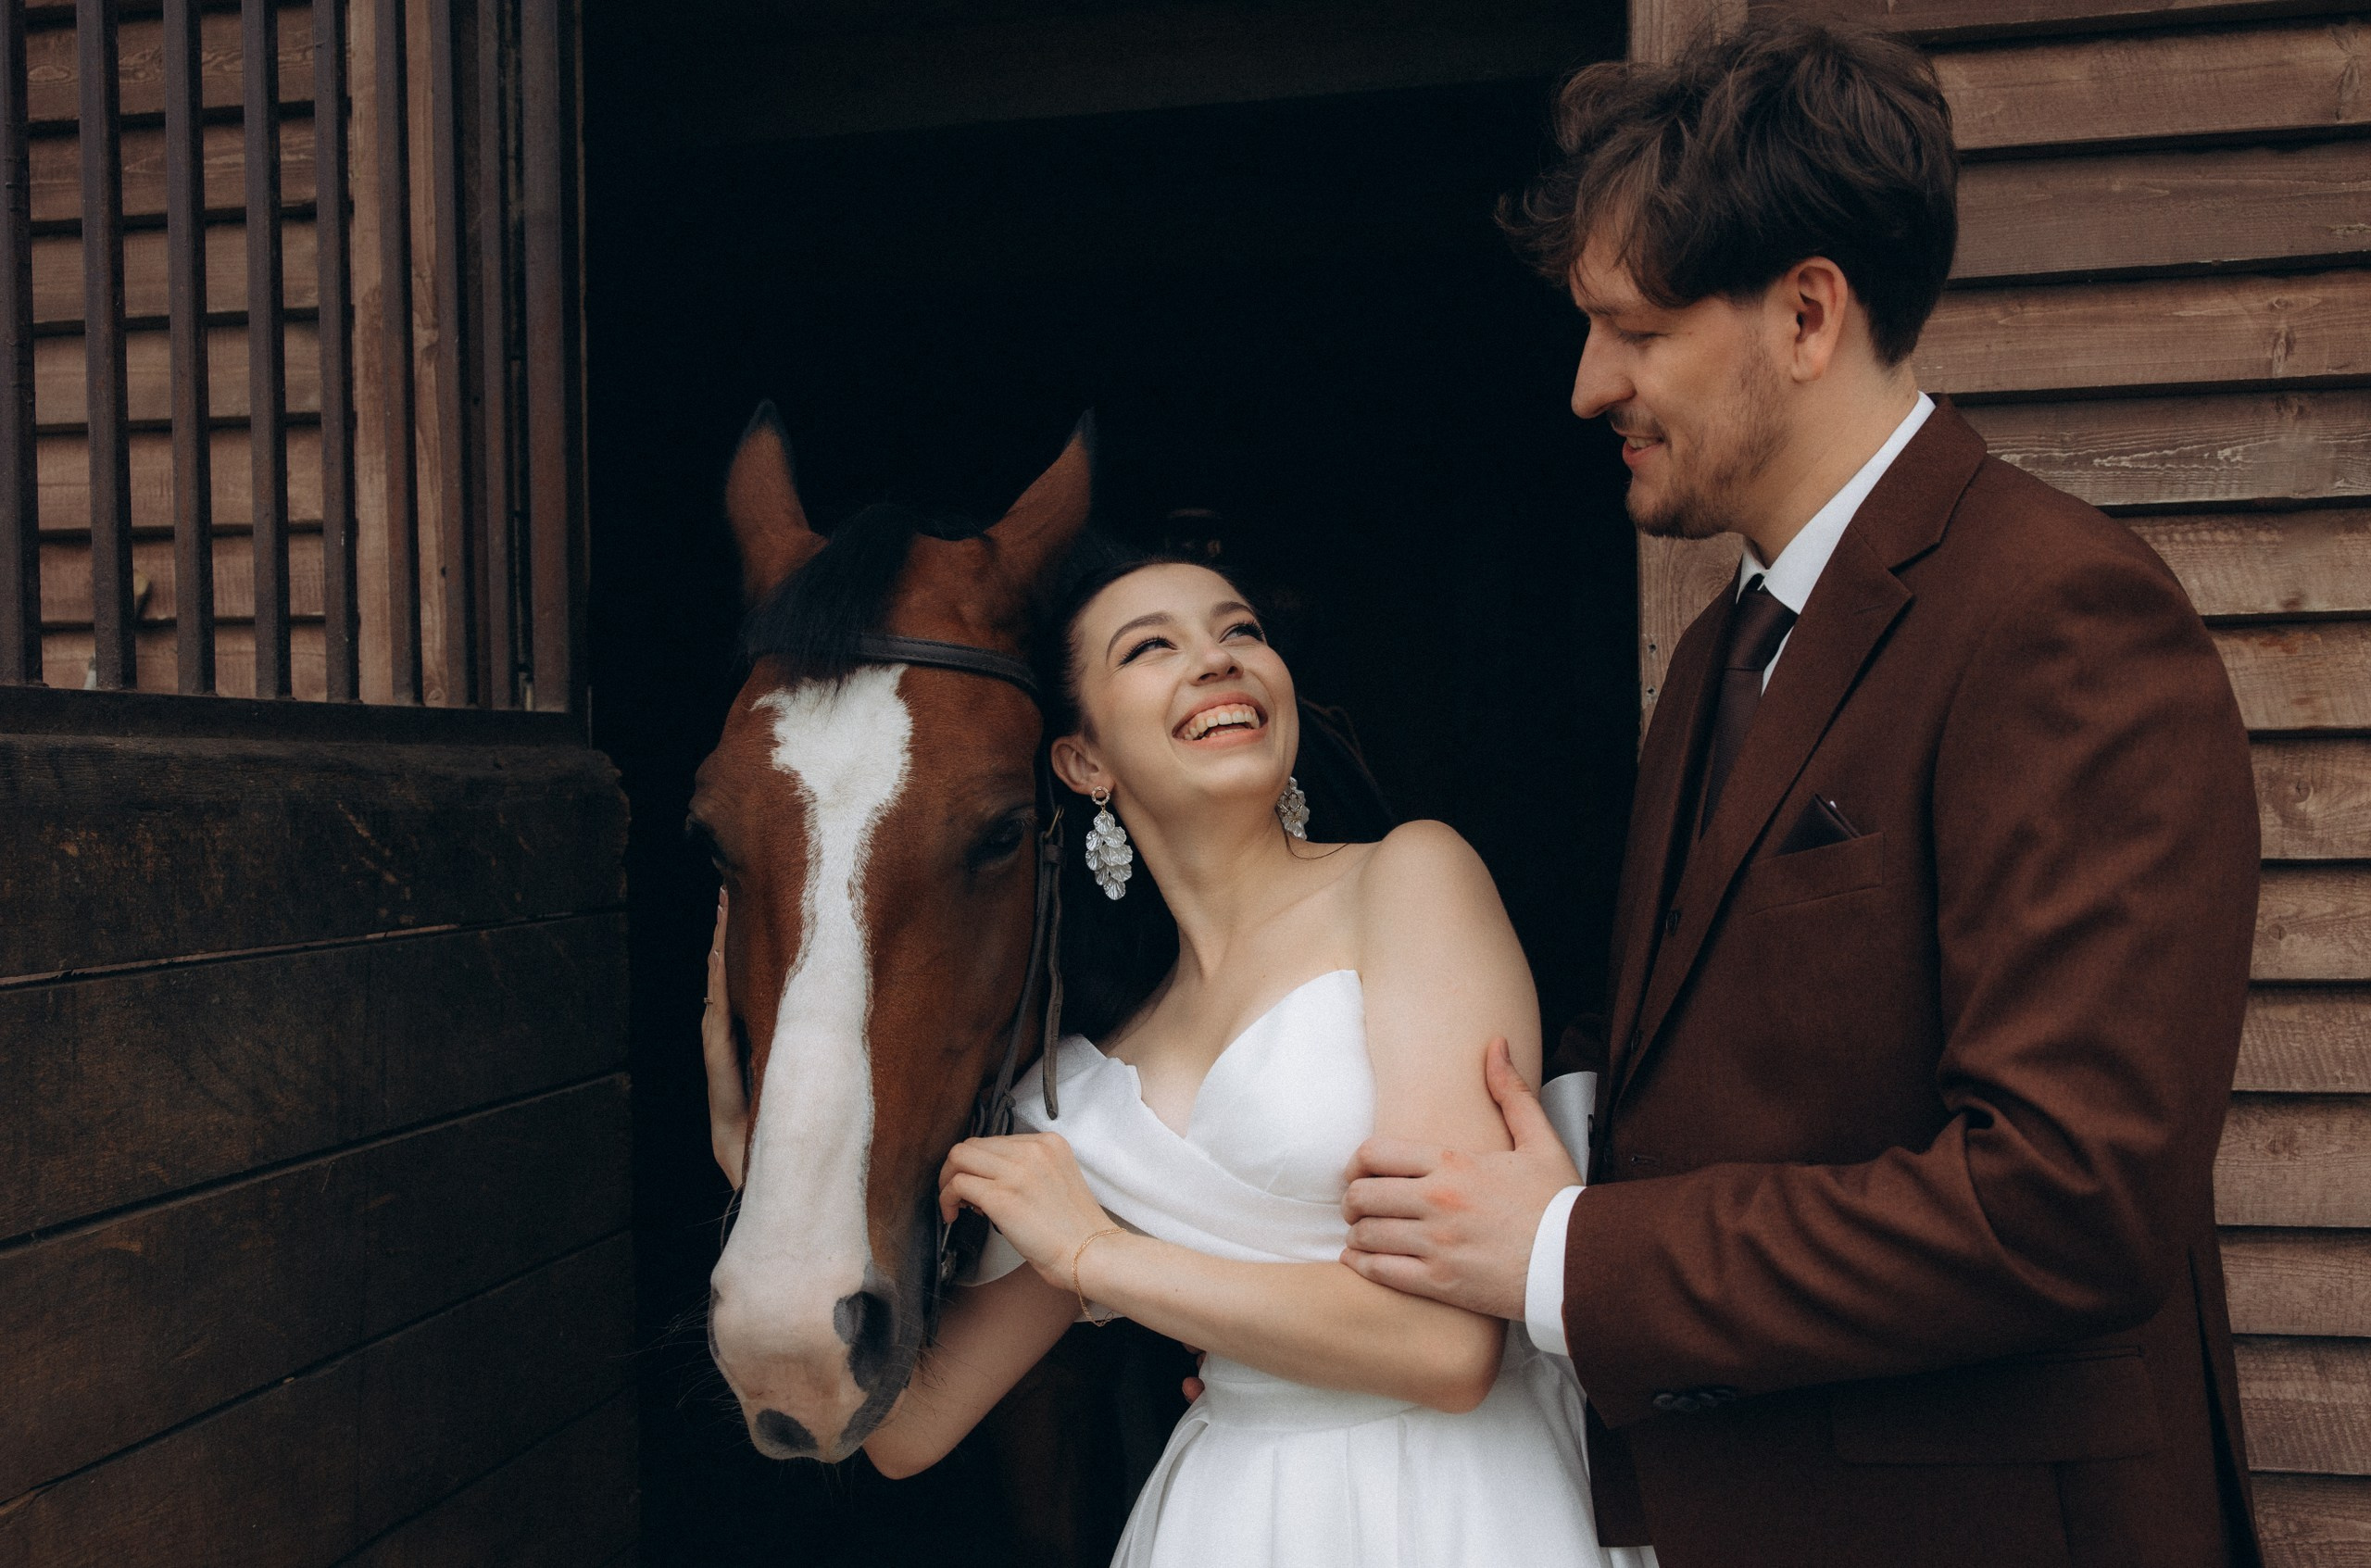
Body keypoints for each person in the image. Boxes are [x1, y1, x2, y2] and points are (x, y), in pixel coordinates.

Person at [1337, 17, 2264, 1568]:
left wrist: (1571, 1252)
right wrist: (1523, 1152)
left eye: (1630, 326)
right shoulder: (1717, 651)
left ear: (1808, 313)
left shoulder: (2062, 616)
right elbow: (1731, 1056)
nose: (1585, 385)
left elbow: (2066, 1193)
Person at [707, 548, 1621, 1565]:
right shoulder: (1084, 1095)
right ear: (1084, 762)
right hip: (1228, 1519)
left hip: (1457, 1509)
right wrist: (780, 1173)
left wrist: (1099, 1256)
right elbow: (905, 1432)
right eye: (1153, 647)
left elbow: (1447, 1349)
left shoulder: (1411, 880)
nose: (1217, 661)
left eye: (1240, 633)